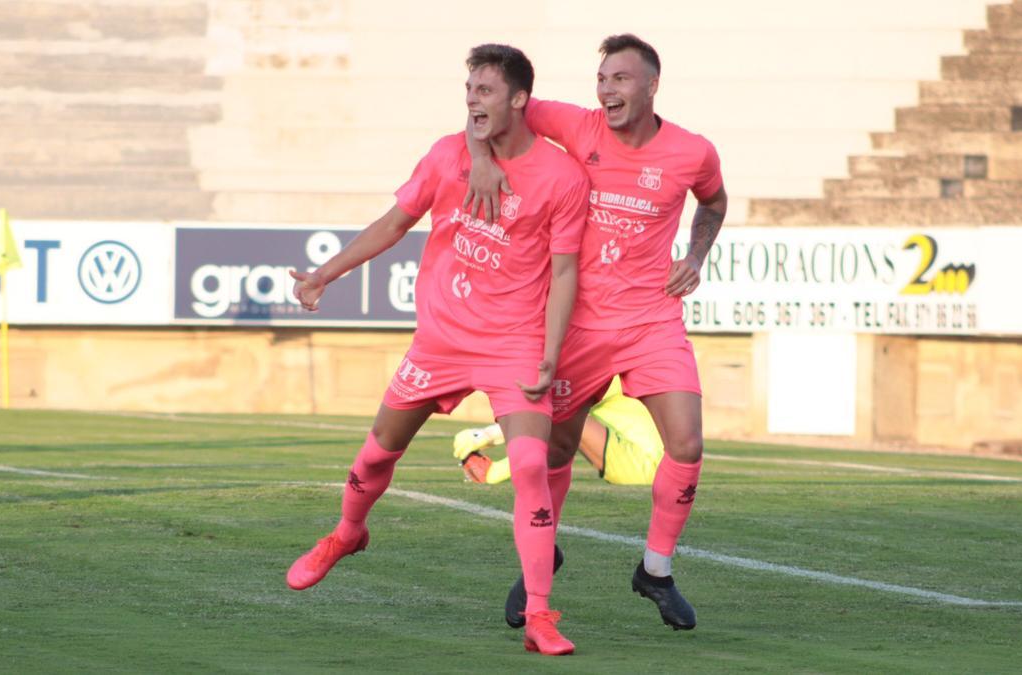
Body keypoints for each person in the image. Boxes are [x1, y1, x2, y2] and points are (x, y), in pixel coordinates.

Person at [286, 44, 590, 656]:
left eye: (486, 90)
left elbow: (563, 274)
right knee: (377, 454)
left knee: (530, 466)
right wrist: (325, 274)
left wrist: (551, 353)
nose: (473, 99)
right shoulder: (447, 153)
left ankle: (539, 615)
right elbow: (392, 224)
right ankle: (347, 533)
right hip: (443, 340)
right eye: (469, 89)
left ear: (519, 99)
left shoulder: (562, 177)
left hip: (514, 345)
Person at [465, 34, 728, 631]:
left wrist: (697, 252)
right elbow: (492, 107)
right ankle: (543, 557)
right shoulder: (578, 126)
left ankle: (655, 571)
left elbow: (713, 202)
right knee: (555, 449)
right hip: (578, 325)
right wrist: (480, 158)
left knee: (686, 445)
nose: (606, 89)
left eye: (620, 78)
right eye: (603, 78)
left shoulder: (693, 151)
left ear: (652, 85)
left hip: (651, 320)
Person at [453, 377, 664, 486]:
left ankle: (494, 473)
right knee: (563, 412)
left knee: (563, 411)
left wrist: (487, 435)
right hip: (646, 464)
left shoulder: (608, 371)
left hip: (643, 466)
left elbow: (552, 413)